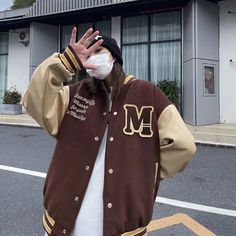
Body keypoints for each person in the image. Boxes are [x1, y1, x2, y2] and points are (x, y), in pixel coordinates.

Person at [22, 27, 196, 236]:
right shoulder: (76, 94)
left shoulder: (148, 94)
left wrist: (144, 173)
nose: (92, 58)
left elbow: (184, 145)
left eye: (98, 52)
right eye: (89, 53)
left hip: (123, 226)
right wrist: (65, 62)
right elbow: (35, 100)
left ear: (115, 59)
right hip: (63, 223)